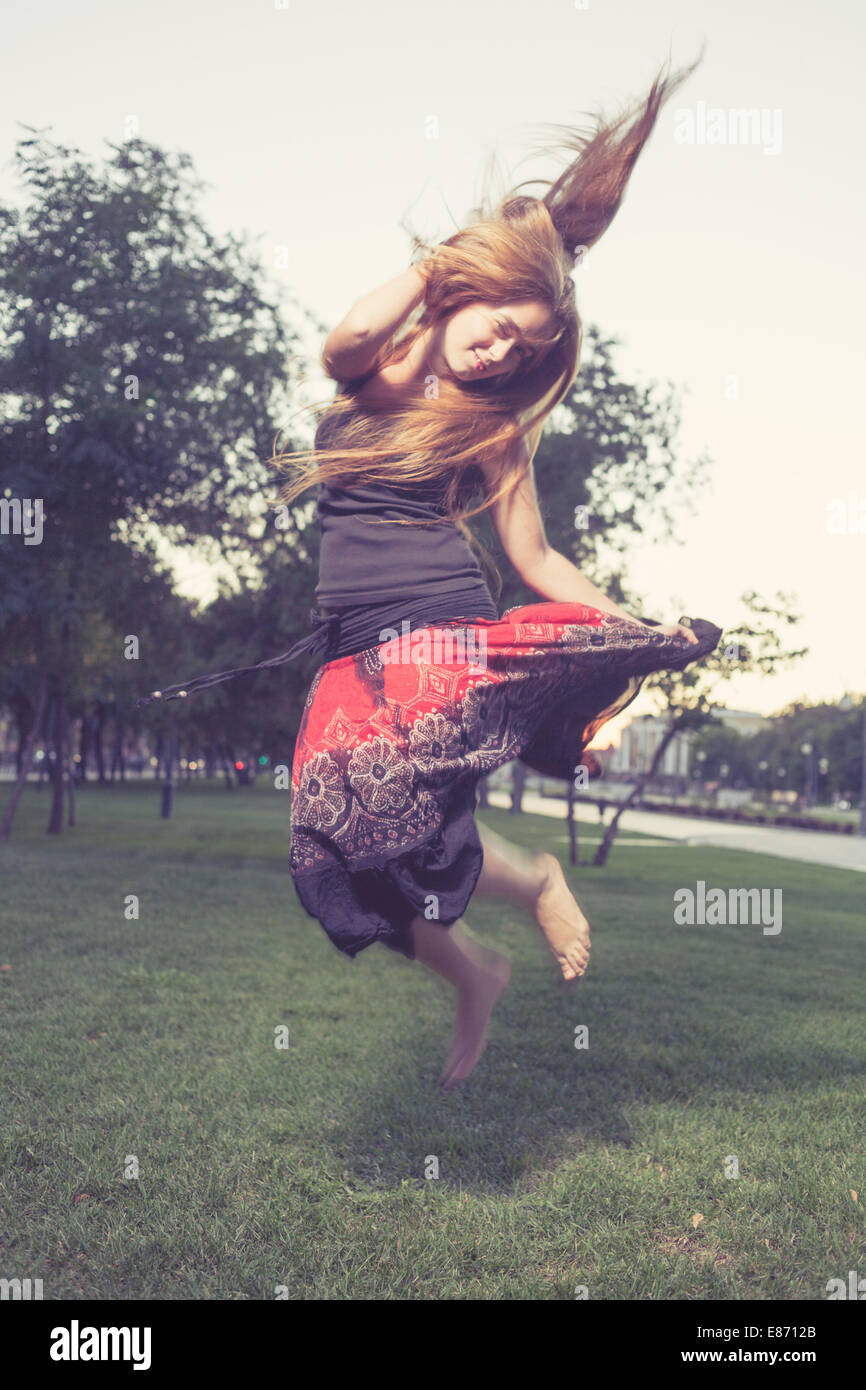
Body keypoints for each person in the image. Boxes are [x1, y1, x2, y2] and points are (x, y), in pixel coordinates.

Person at [139, 51, 721, 1090]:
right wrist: (443, 263)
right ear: (467, 292)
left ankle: (540, 879)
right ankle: (472, 972)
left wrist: (628, 625)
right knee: (335, 849)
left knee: (397, 803)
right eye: (497, 327)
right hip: (353, 642)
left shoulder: (494, 428)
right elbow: (346, 335)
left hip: (436, 623)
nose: (500, 356)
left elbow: (532, 555)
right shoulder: (379, 364)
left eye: (521, 350)